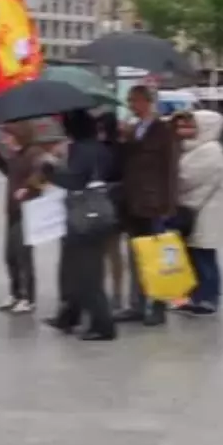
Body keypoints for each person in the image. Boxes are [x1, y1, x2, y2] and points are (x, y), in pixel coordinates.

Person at [42, 109, 116, 341]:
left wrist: (50, 171)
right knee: (75, 268)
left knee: (87, 273)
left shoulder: (80, 149)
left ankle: (103, 325)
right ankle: (69, 315)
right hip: (100, 213)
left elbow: (74, 180)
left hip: (84, 216)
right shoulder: (102, 148)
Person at [115, 84, 180, 327]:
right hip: (134, 203)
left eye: (135, 100)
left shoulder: (162, 130)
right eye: (130, 101)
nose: (131, 105)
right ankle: (137, 304)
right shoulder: (133, 130)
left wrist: (168, 205)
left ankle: (158, 305)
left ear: (147, 102)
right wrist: (123, 140)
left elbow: (171, 170)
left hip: (155, 203)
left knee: (158, 258)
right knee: (136, 256)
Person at [0, 122, 45, 314]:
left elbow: (43, 173)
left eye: (7, 136)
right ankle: (15, 292)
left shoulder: (33, 153)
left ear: (17, 135)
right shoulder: (15, 154)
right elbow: (8, 171)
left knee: (23, 255)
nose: (5, 140)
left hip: (28, 210)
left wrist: (27, 188)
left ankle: (28, 297)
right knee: (10, 254)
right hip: (12, 210)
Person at [173, 111, 223, 316]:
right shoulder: (191, 149)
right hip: (192, 210)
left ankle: (209, 298)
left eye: (193, 124)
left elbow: (187, 178)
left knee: (205, 257)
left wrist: (172, 180)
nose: (189, 129)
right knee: (193, 256)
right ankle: (195, 297)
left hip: (203, 211)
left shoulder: (210, 150)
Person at [96, 111, 126, 310]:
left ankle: (113, 293)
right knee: (114, 252)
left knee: (109, 251)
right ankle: (116, 292)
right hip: (119, 202)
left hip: (108, 202)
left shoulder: (104, 150)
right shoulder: (122, 147)